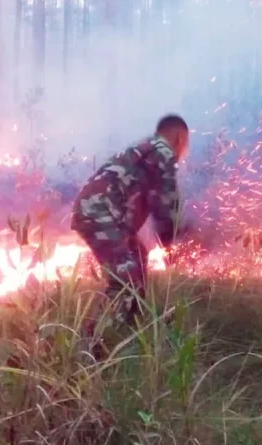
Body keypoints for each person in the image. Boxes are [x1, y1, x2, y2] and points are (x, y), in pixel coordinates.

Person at [71, 114, 190, 327]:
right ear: (180, 139)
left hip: (103, 212)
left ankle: (132, 324)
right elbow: (166, 202)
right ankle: (95, 342)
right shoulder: (163, 151)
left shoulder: (145, 149)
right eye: (186, 145)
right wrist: (174, 238)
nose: (184, 152)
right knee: (124, 278)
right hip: (100, 212)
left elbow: (152, 199)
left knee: (138, 256)